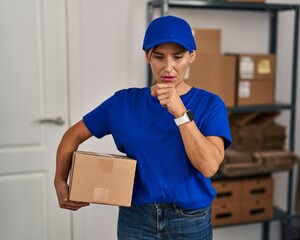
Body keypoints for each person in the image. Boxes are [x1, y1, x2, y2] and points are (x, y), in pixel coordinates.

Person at [54, 15, 232, 240]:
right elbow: (73, 135)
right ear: (148, 56)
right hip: (136, 219)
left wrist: (180, 113)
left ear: (192, 56)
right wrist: (60, 180)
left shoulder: (210, 104)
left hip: (190, 220)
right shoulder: (123, 103)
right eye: (159, 57)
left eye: (178, 57)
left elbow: (208, 167)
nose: (169, 68)